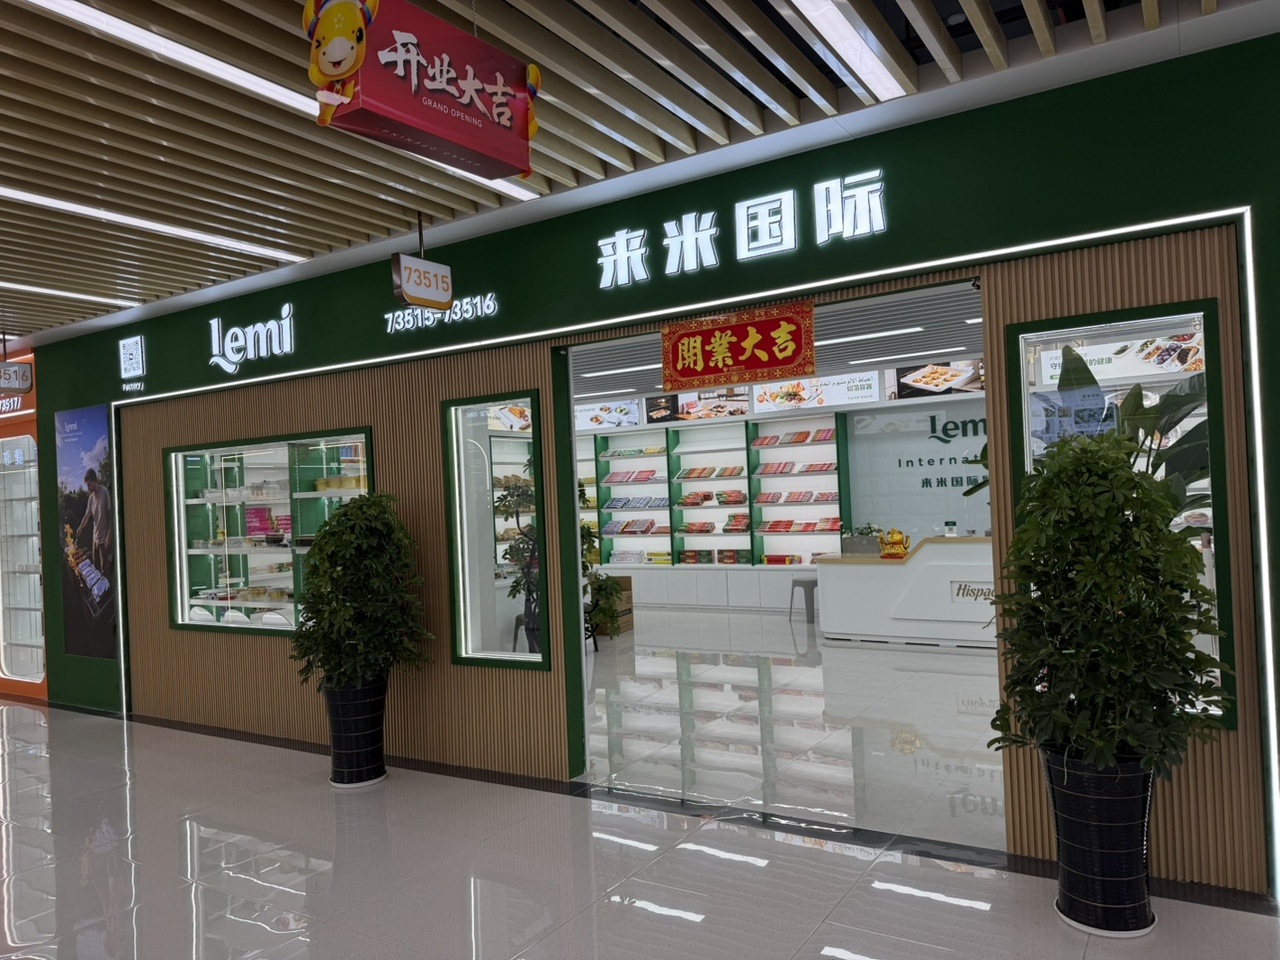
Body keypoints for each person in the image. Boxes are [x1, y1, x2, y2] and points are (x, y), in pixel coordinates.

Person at [76, 469, 113, 580]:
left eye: (89, 484)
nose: (88, 487)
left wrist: (109, 535)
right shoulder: (91, 498)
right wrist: (80, 528)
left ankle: (107, 587)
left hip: (104, 538)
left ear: (94, 481)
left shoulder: (104, 492)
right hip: (95, 538)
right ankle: (97, 588)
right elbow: (86, 516)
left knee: (104, 568)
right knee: (95, 566)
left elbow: (110, 516)